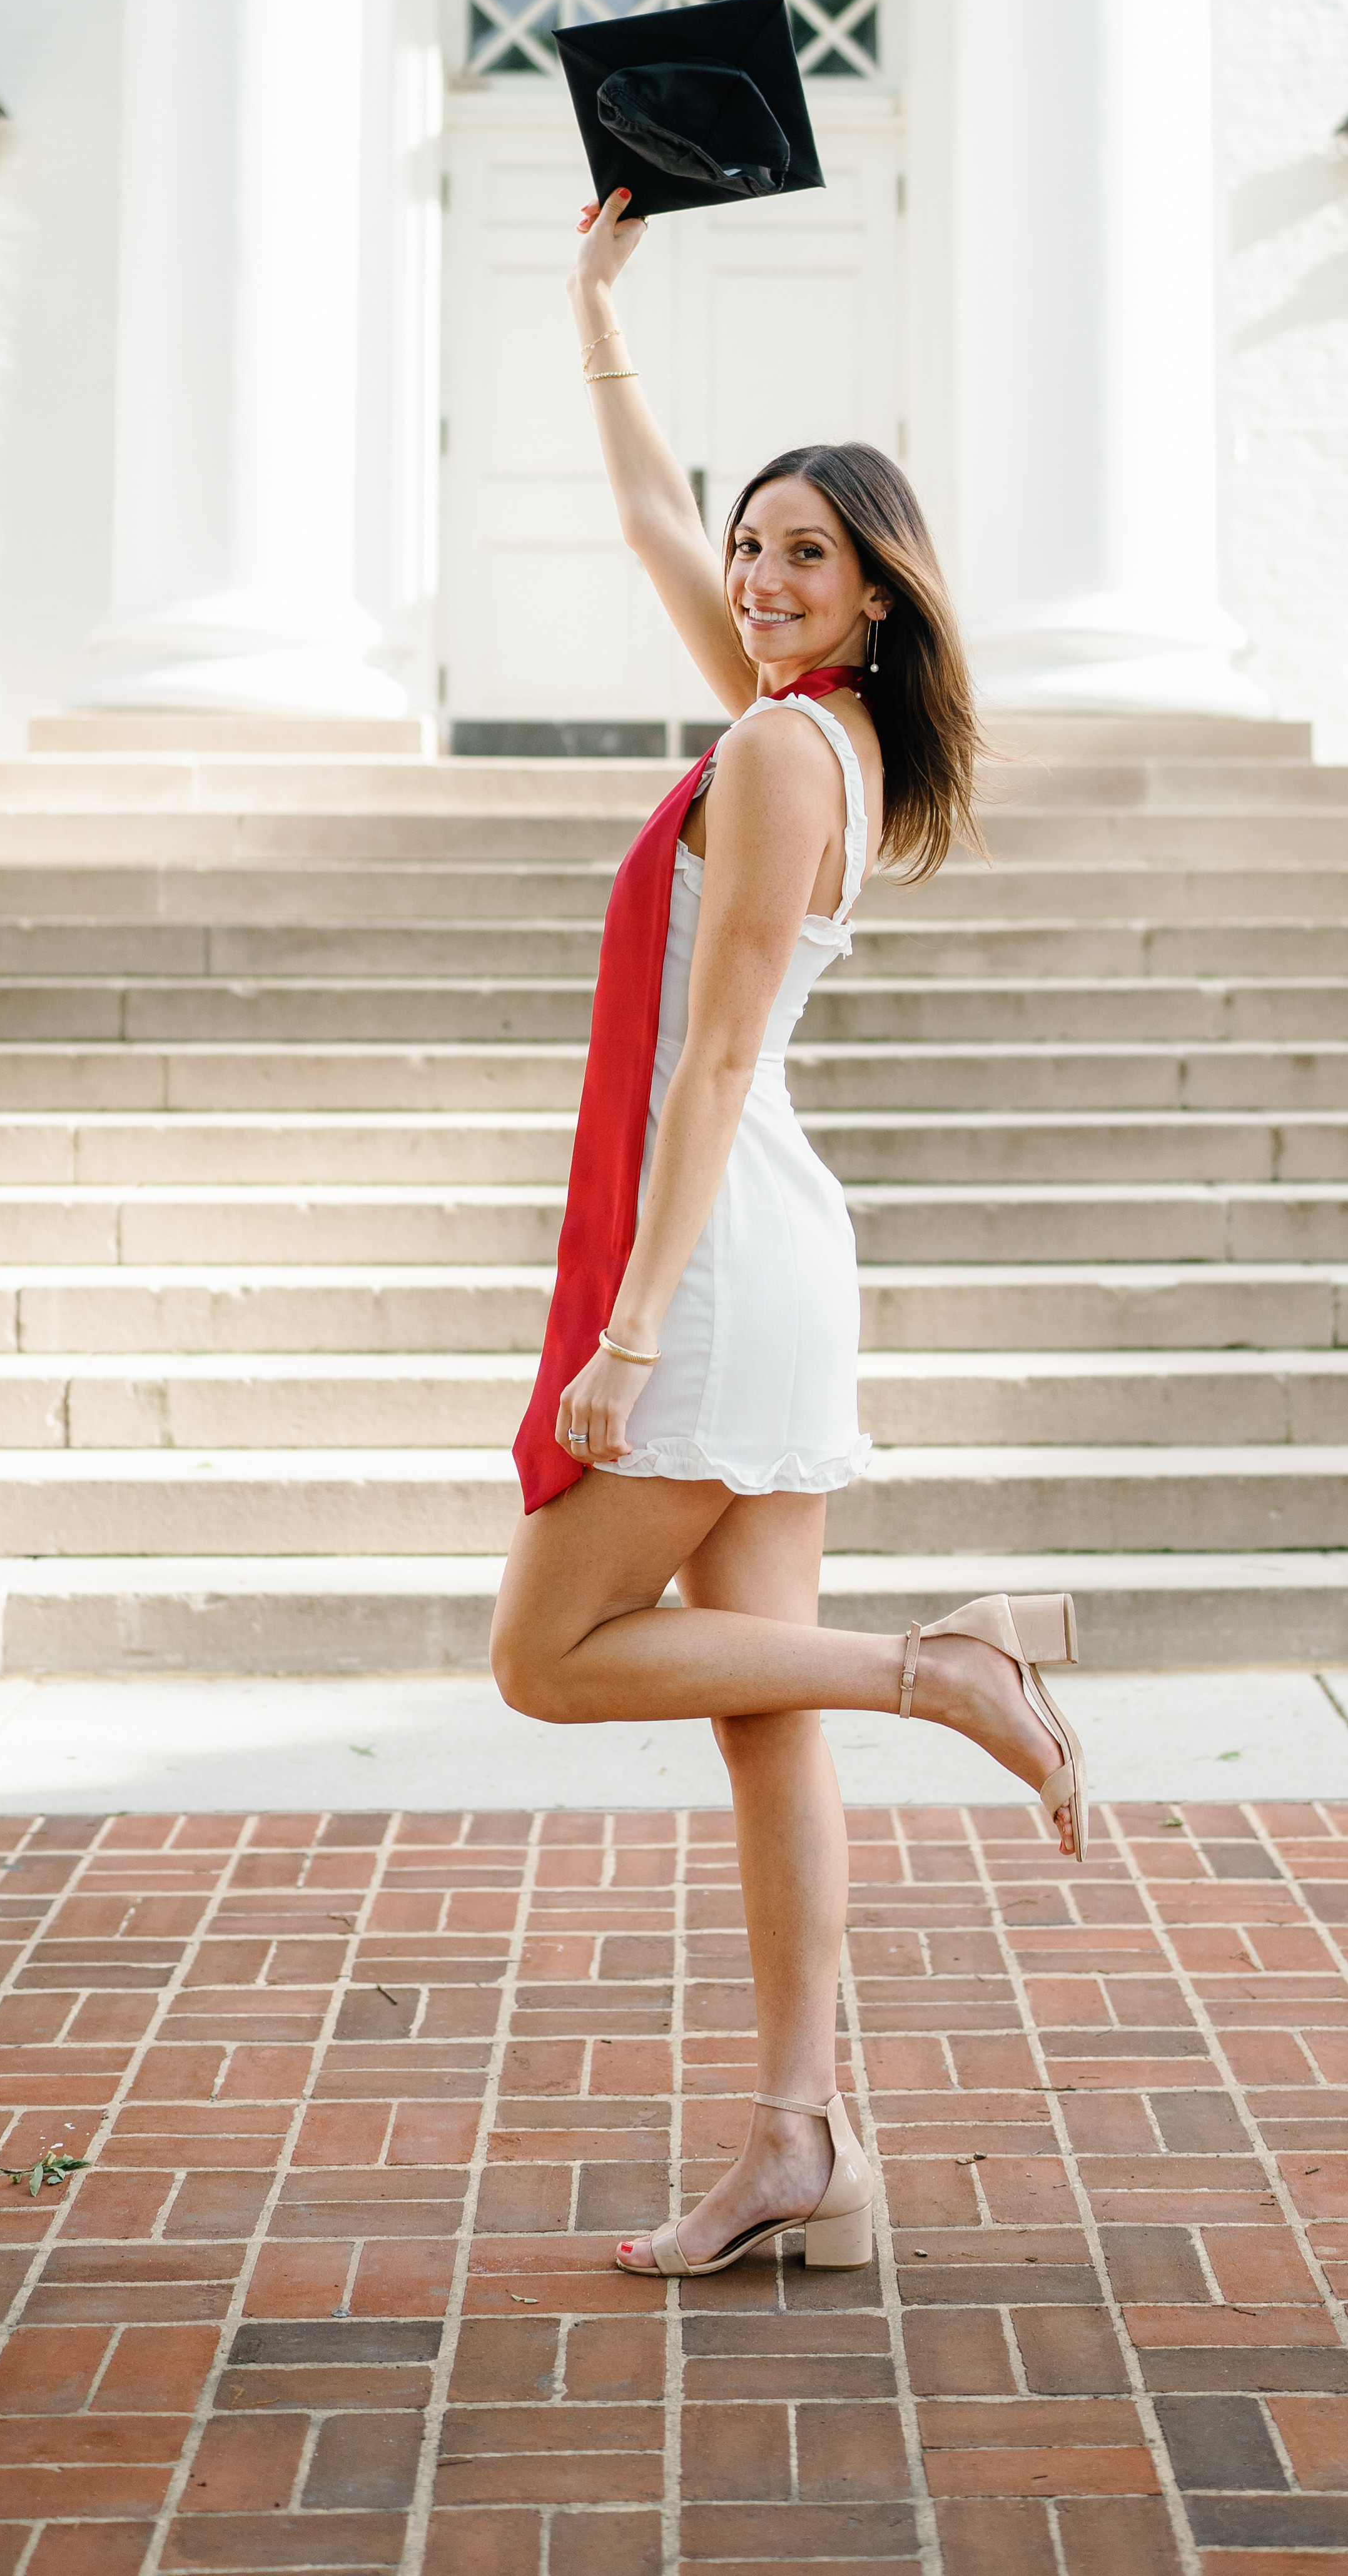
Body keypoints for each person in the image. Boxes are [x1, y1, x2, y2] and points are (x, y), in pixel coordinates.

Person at [489, 183, 1090, 2284]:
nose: (753, 574)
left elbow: (717, 1059)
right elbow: (661, 526)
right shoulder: (802, 730)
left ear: (875, 597)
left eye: (800, 555)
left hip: (726, 1248)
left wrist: (635, 1331)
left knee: (547, 1658)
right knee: (759, 1717)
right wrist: (592, 312)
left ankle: (949, 1664)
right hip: (770, 1237)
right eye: (753, 546)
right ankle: (806, 2143)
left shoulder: (771, 749)